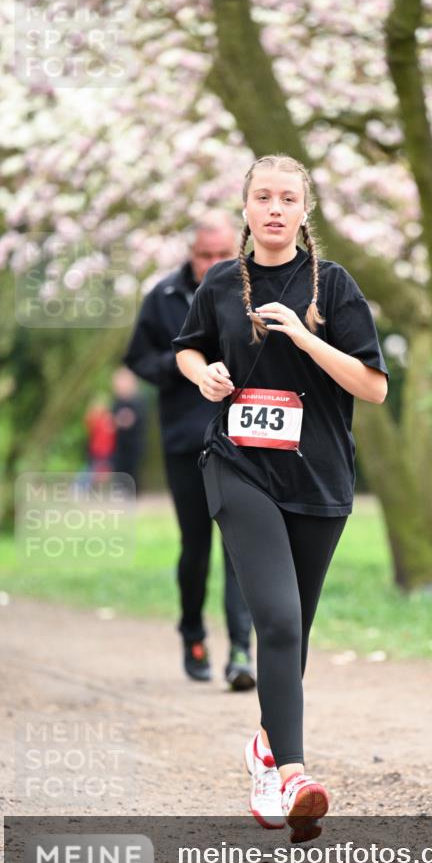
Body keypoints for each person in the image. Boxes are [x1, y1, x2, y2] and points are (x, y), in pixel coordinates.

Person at [173, 155, 388, 842]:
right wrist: (202, 372)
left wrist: (303, 336)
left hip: (318, 477)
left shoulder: (334, 285)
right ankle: (288, 773)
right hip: (237, 468)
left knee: (292, 633)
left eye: (286, 198)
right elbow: (188, 348)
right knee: (278, 618)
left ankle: (265, 746)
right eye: (261, 197)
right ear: (244, 209)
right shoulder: (218, 283)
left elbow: (373, 386)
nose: (273, 208)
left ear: (304, 211)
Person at [123, 215, 254, 688]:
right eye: (205, 255)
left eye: (223, 255)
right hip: (185, 440)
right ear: (191, 254)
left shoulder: (253, 290)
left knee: (242, 549)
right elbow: (137, 357)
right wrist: (187, 367)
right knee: (195, 548)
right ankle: (193, 634)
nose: (214, 263)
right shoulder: (163, 296)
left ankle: (242, 651)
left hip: (244, 440)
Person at [111, 367, 147, 491]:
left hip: (133, 444)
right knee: (119, 468)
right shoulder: (117, 402)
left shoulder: (137, 401)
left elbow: (131, 420)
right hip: (119, 444)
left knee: (132, 470)